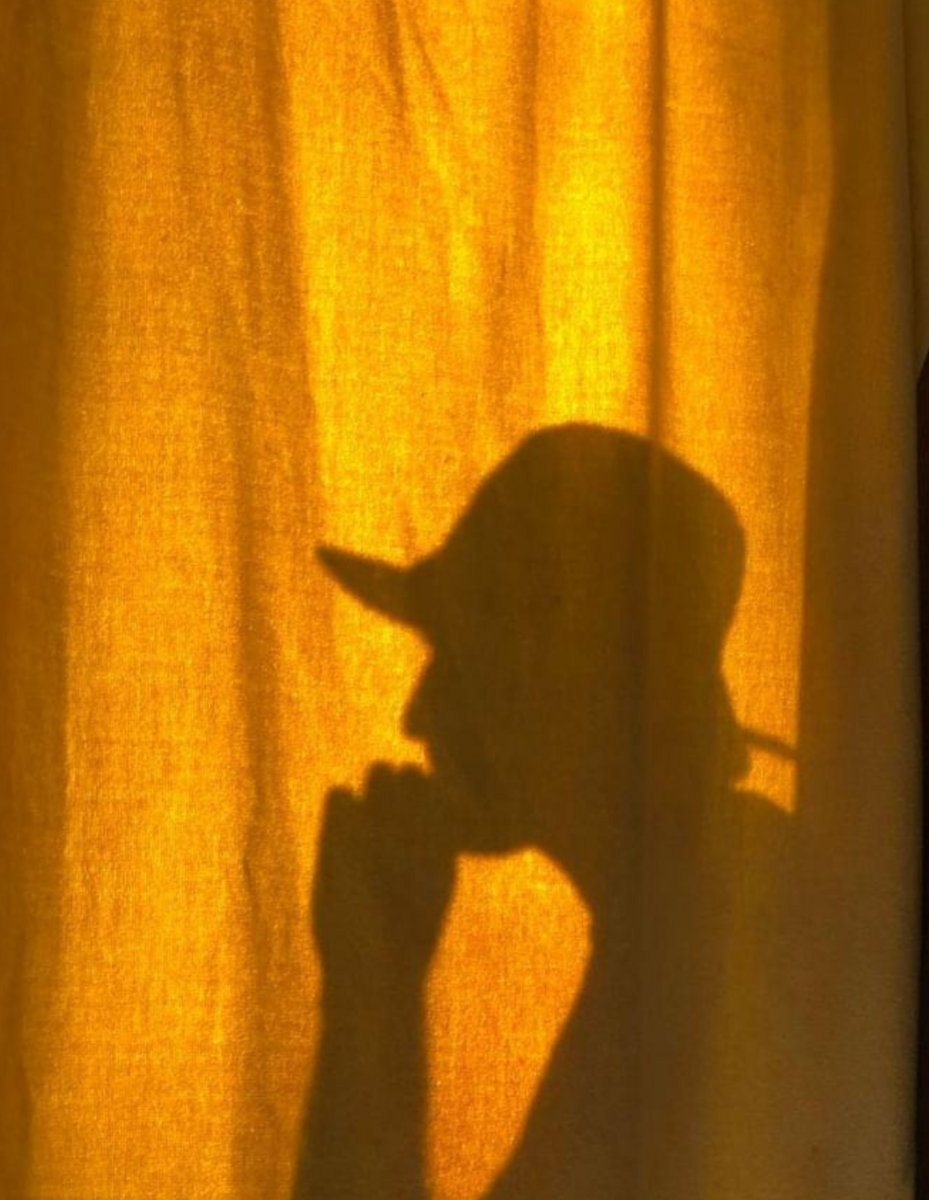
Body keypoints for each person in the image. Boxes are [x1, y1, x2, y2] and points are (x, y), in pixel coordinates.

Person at [296, 423, 785, 1197]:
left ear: (572, 681)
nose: (417, 717)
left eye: (461, 659)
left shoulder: (719, 953)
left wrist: (373, 993)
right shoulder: (690, 914)